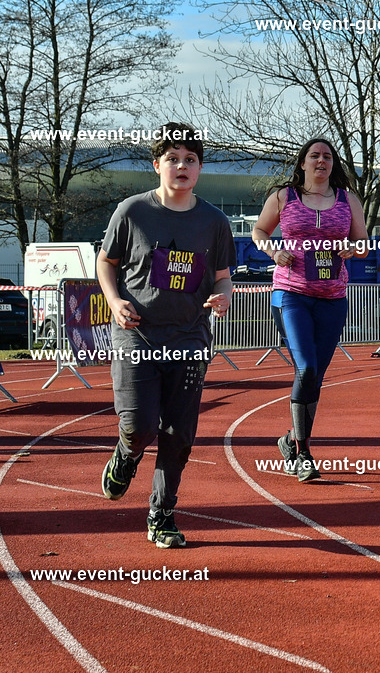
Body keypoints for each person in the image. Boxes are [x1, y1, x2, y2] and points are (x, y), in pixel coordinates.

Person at [98, 122, 234, 548]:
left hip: (190, 337)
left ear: (199, 169)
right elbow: (107, 263)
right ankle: (127, 453)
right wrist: (114, 301)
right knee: (139, 426)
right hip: (137, 336)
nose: (181, 166)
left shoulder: (214, 221)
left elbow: (223, 277)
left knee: (179, 433)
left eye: (190, 160)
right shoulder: (132, 211)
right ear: (157, 165)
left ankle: (162, 514)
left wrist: (223, 296)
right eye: (172, 158)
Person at [251, 139, 368, 482]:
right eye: (314, 156)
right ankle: (303, 454)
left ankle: (290, 440)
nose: (321, 161)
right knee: (306, 368)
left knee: (316, 375)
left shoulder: (349, 200)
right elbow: (259, 231)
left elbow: (363, 244)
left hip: (333, 297)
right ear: (302, 163)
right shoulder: (284, 197)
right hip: (291, 294)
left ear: (333, 164)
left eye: (327, 157)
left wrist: (352, 248)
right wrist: (273, 252)